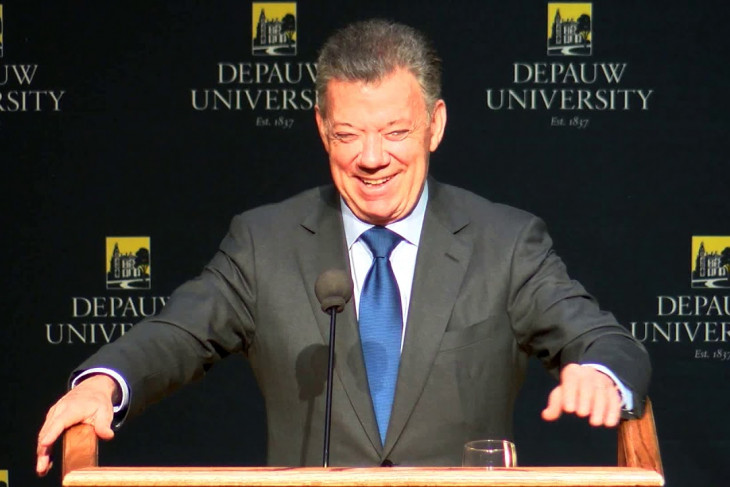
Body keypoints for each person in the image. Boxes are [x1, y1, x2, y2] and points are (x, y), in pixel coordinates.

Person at [36, 19, 650, 474]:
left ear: (434, 125)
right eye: (349, 134)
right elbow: (177, 334)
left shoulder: (505, 242)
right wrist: (104, 384)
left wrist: (598, 373)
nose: (372, 158)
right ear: (322, 130)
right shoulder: (264, 242)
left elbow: (605, 341)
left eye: (395, 132)